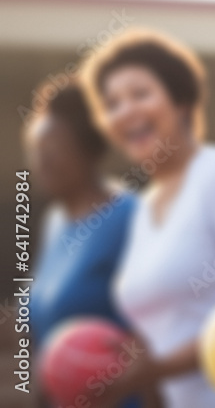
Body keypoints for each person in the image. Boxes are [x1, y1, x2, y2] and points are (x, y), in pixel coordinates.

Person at [80, 29, 215, 408]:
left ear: (181, 101)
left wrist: (158, 368)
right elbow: (158, 340)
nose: (126, 111)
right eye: (112, 103)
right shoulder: (145, 207)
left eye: (140, 94)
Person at [24, 80, 147, 408]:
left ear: (88, 149)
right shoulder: (54, 223)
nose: (43, 162)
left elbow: (157, 325)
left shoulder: (130, 216)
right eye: (35, 151)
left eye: (52, 148)